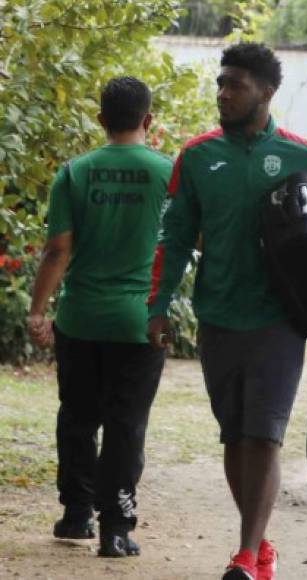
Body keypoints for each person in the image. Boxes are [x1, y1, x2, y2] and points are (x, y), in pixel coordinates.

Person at [146, 43, 307, 580]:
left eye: (236, 85)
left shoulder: (305, 156)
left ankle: (246, 557)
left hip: (279, 320)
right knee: (234, 436)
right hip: (219, 317)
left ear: (266, 92)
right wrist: (157, 307)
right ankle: (260, 542)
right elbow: (173, 238)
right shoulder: (197, 156)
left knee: (265, 434)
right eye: (221, 83)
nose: (224, 94)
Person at [27, 77, 170, 558]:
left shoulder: (75, 172)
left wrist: (38, 310)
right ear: (148, 121)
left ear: (101, 118)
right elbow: (195, 241)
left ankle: (75, 514)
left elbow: (57, 250)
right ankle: (116, 528)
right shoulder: (167, 173)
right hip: (140, 323)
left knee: (78, 417)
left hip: (81, 319)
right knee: (127, 424)